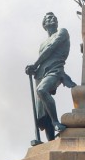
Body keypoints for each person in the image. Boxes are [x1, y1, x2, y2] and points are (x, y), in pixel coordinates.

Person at [25, 12, 76, 141]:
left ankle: (55, 122)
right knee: (43, 110)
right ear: (44, 24)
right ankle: (50, 141)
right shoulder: (42, 44)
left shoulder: (62, 32)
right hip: (40, 73)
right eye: (49, 18)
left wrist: (35, 64)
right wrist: (33, 69)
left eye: (54, 18)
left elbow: (51, 49)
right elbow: (44, 57)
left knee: (42, 90)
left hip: (56, 70)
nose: (52, 19)